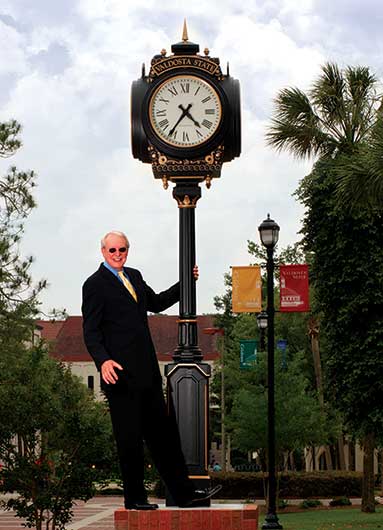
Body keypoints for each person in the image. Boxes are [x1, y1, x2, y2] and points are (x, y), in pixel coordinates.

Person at [82, 231, 219, 510]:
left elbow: (156, 303)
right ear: (103, 252)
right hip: (119, 375)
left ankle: (185, 496)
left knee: (165, 437)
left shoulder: (134, 275)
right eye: (112, 250)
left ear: (127, 250)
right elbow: (91, 331)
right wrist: (103, 361)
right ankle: (134, 499)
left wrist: (186, 282)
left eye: (122, 249)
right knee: (129, 440)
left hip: (147, 373)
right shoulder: (94, 285)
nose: (118, 254)